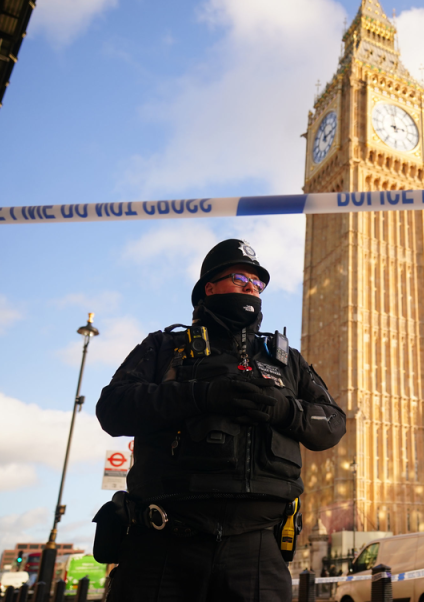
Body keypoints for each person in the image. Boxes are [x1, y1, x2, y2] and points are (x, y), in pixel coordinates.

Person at [96, 239, 346, 602]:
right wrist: (201, 395)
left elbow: (334, 423)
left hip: (257, 551)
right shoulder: (165, 347)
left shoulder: (286, 360)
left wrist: (286, 410)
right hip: (164, 543)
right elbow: (113, 407)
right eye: (240, 277)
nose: (251, 287)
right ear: (209, 288)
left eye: (258, 283)